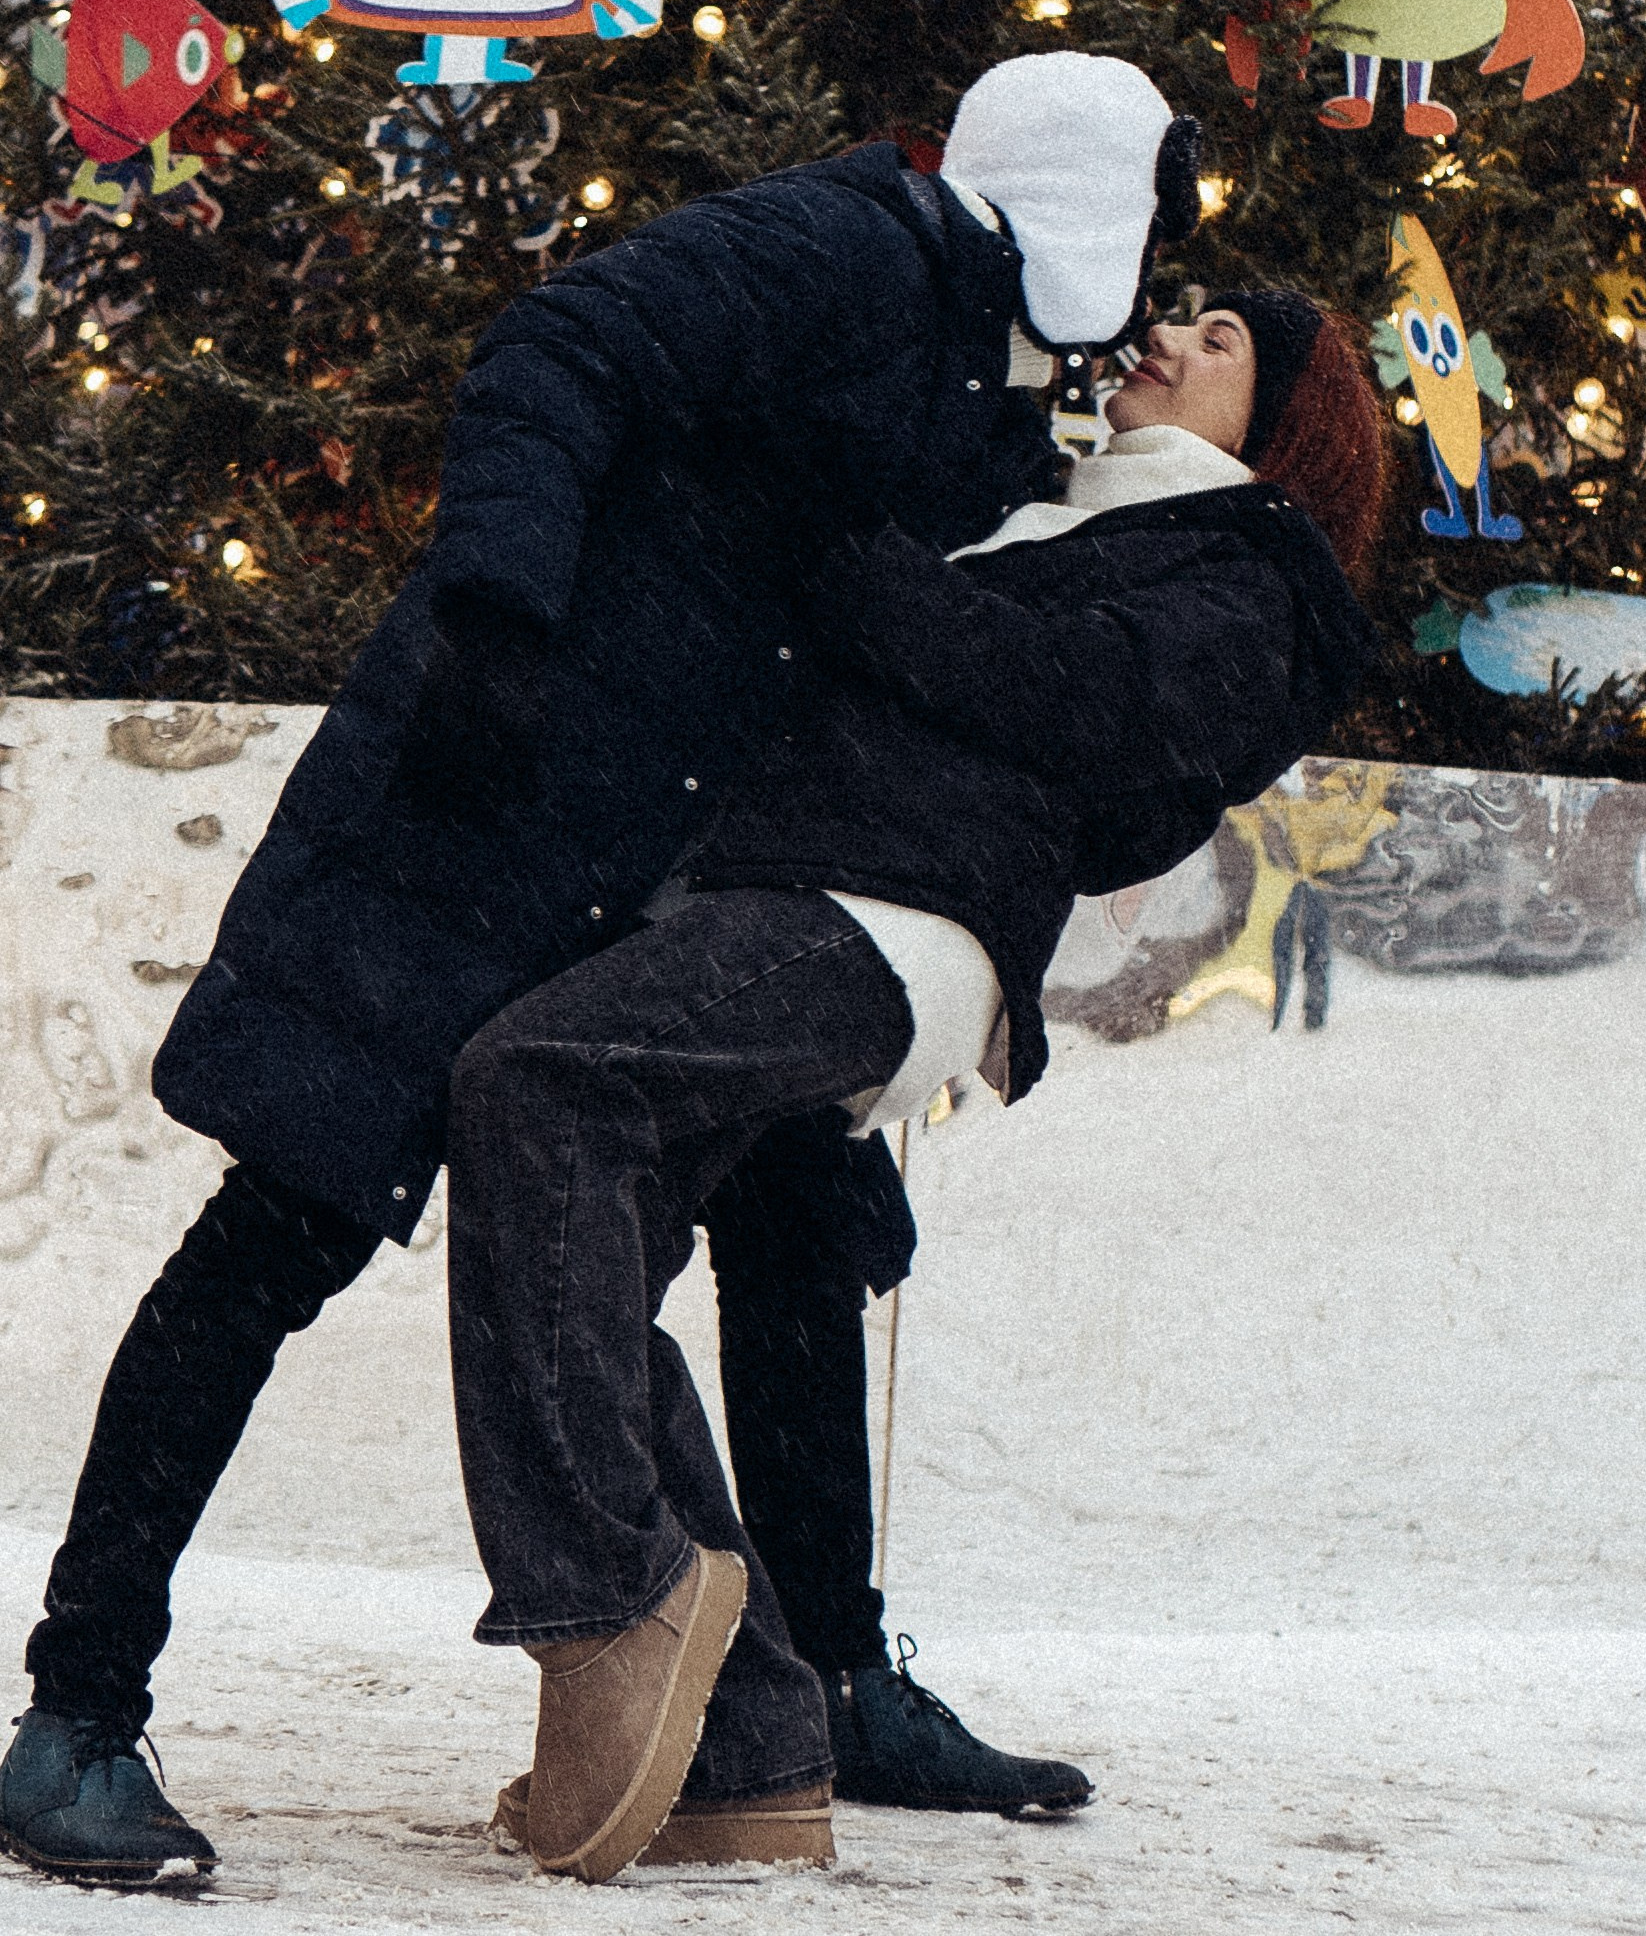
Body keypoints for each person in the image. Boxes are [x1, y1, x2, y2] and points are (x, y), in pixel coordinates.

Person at [0, 53, 1199, 1884]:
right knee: (278, 1238)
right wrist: (497, 616)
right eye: (1154, 220)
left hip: (675, 866)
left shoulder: (977, 383)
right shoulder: (842, 251)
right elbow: (559, 348)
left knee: (807, 1225)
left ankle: (834, 1684)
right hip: (480, 808)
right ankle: (74, 1718)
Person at [447, 290, 1385, 1881]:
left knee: (534, 1085)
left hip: (888, 924)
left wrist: (844, 563)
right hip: (773, 889)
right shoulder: (1028, 498)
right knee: (576, 1247)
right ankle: (748, 1742)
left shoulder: (1258, 579)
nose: (1162, 333)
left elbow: (1075, 715)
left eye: (1219, 338)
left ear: (1284, 420)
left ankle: (614, 1601)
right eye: (1173, 313)